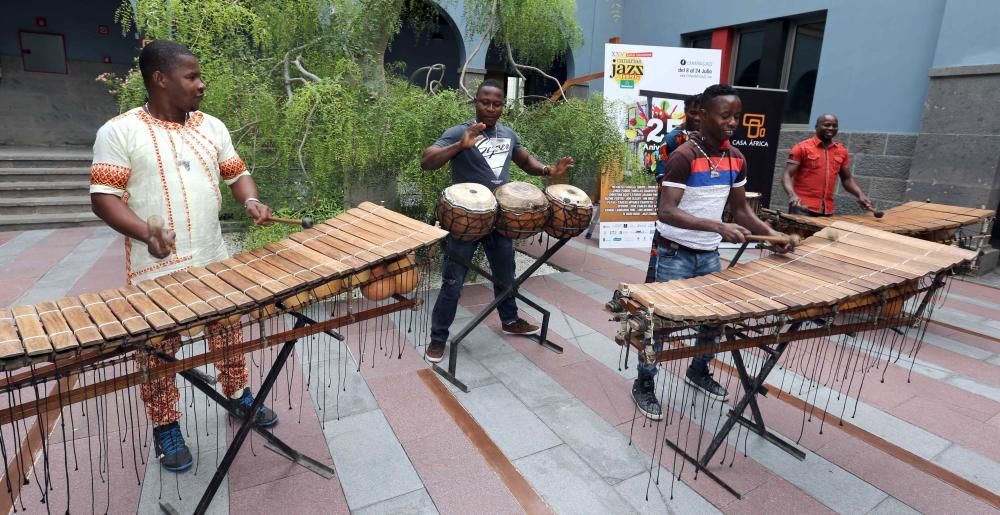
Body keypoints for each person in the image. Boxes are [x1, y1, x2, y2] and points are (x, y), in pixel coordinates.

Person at [89, 40, 278, 473]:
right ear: (160, 79)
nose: (201, 84)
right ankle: (166, 425)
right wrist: (146, 231)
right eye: (191, 76)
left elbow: (238, 173)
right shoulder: (119, 131)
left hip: (213, 258)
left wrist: (249, 200)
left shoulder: (212, 127)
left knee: (228, 334)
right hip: (156, 268)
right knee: (159, 350)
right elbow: (104, 199)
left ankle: (239, 397)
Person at [633, 84, 793, 420]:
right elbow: (667, 211)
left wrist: (773, 234)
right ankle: (644, 384)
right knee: (660, 324)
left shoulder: (737, 158)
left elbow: (743, 211)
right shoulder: (683, 157)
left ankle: (698, 369)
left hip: (707, 255)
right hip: (674, 252)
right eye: (725, 115)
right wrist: (717, 226)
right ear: (703, 115)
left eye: (737, 116)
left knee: (714, 319)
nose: (732, 122)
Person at [420, 79, 574, 363]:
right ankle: (438, 339)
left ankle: (510, 320)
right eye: (485, 102)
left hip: (499, 218)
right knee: (453, 281)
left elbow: (526, 162)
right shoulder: (460, 131)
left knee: (506, 275)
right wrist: (459, 145)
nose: (491, 108)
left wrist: (550, 169)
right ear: (475, 102)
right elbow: (427, 161)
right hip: (467, 218)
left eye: (497, 104)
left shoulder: (508, 134)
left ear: (503, 106)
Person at [643, 94, 702, 283]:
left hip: (697, 209)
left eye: (702, 113)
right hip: (672, 206)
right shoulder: (672, 139)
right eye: (693, 113)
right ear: (685, 113)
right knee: (662, 245)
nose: (698, 118)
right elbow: (659, 172)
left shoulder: (711, 141)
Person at [782, 113, 873, 216]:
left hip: (827, 210)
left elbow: (847, 179)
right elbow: (787, 175)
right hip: (802, 208)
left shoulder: (841, 151)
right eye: (827, 125)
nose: (831, 128)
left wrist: (860, 195)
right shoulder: (801, 148)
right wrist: (792, 195)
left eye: (834, 126)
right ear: (816, 127)